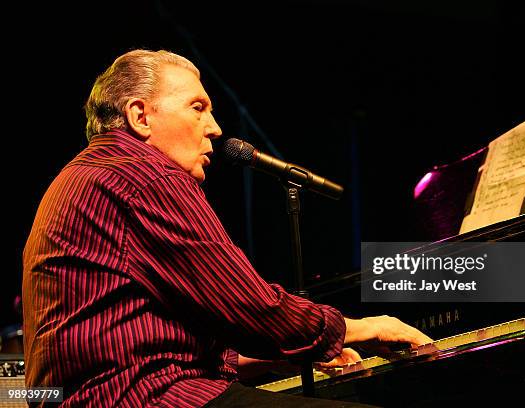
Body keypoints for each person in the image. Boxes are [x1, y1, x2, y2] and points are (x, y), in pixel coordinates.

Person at [22, 49, 432, 407]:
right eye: (197, 107)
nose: (216, 128)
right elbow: (251, 309)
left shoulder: (90, 175)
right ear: (140, 116)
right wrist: (357, 328)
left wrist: (293, 354)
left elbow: (166, 343)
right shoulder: (145, 175)